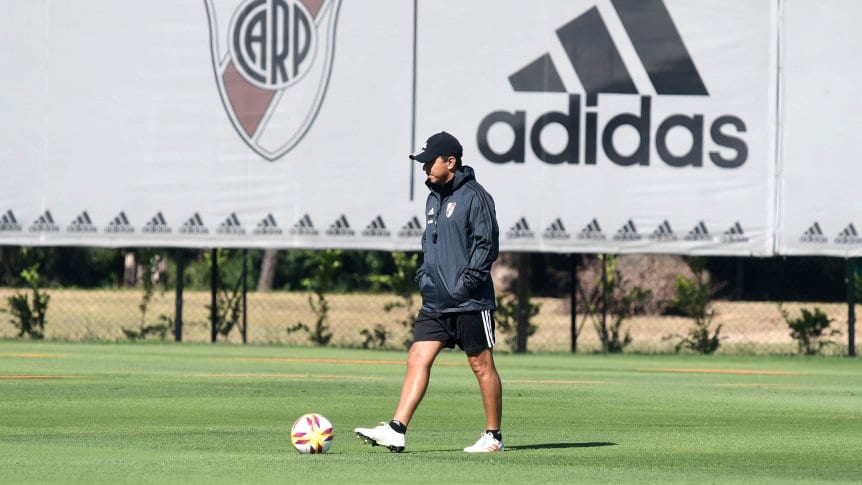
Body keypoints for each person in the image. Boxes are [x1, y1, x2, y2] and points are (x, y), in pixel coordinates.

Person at [354, 131, 503, 453]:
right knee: (417, 357)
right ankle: (397, 429)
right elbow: (428, 241)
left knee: (481, 365)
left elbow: (487, 244)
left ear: (450, 161)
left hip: (469, 300)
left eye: (429, 162)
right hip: (435, 299)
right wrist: (424, 276)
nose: (424, 168)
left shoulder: (475, 196)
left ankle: (493, 436)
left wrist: (466, 283)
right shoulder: (433, 197)